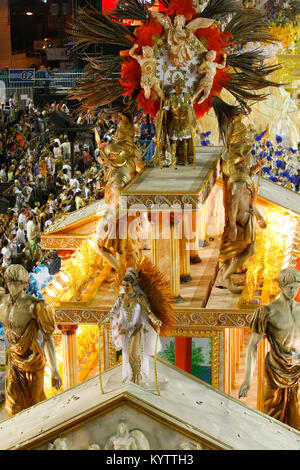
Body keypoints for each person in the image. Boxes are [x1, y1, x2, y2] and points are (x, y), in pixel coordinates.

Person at [239, 267, 300, 431]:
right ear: (280, 285)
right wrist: (247, 379)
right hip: (274, 369)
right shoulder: (267, 312)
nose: (293, 291)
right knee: (270, 416)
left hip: (298, 370)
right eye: (289, 287)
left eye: (296, 286)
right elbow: (252, 346)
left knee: (297, 417)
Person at [0, 264, 62, 416]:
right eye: (10, 282)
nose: (13, 286)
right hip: (14, 361)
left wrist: (54, 370)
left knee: (35, 403)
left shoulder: (34, 306)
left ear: (24, 283)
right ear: (5, 281)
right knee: (14, 404)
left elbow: (48, 339)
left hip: (32, 361)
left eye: (17, 283)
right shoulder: (1, 302)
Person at [110, 268, 161, 385]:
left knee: (134, 353)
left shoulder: (139, 298)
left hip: (137, 328)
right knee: (129, 356)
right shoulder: (120, 298)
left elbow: (148, 312)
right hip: (125, 330)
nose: (125, 288)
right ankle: (133, 376)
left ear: (133, 285)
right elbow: (112, 312)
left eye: (127, 286)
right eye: (123, 286)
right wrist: (103, 320)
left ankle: (138, 376)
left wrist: (155, 320)